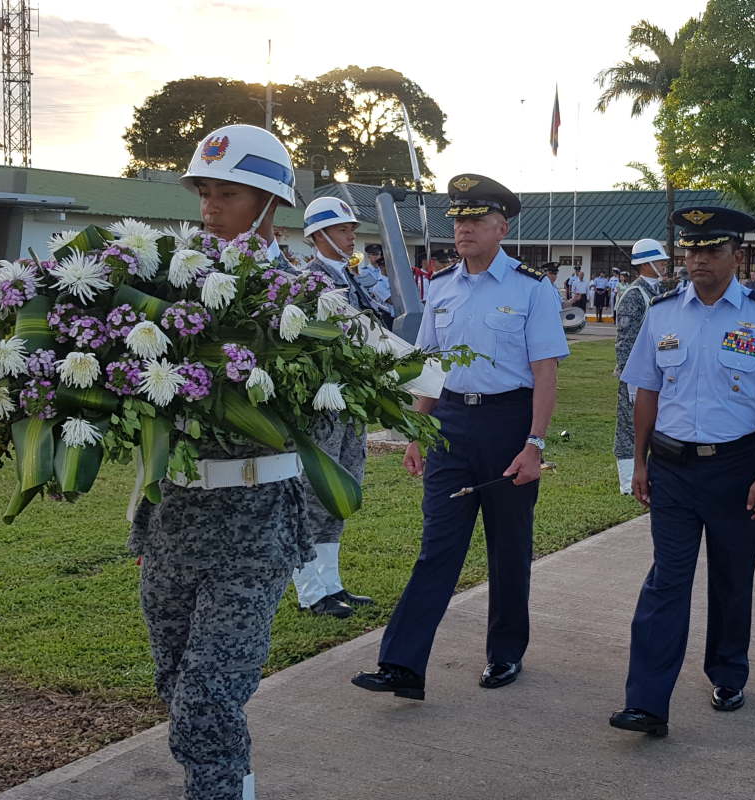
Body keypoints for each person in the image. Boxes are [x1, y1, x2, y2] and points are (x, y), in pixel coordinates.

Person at [131, 125, 315, 800]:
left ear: (270, 204)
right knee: (175, 681)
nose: (209, 205)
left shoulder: (307, 297)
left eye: (227, 193)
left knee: (209, 691)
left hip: (255, 521)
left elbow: (328, 412)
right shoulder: (165, 281)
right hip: (175, 514)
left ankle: (218, 791)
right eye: (203, 191)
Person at [352, 174, 567, 700]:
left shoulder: (531, 289)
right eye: (459, 220)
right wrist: (417, 433)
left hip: (507, 425)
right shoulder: (442, 288)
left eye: (475, 220)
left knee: (508, 549)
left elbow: (545, 373)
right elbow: (432, 367)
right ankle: (402, 665)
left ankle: (505, 653)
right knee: (437, 548)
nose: (464, 229)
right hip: (449, 427)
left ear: (502, 227)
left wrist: (534, 444)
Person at [609, 205, 755, 738]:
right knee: (667, 582)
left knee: (730, 579)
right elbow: (645, 391)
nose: (698, 259)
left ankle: (727, 674)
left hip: (735, 470)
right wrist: (640, 461)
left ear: (736, 257)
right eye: (691, 249)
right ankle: (646, 701)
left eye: (711, 250)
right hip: (673, 470)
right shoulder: (661, 313)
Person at [290, 197, 377, 619]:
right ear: (318, 236)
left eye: (351, 230)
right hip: (322, 404)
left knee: (341, 492)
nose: (351, 236)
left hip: (351, 401)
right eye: (343, 230)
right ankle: (310, 590)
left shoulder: (350, 277)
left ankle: (331, 583)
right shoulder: (307, 281)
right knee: (314, 494)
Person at [613, 239, 669, 494]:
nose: (664, 265)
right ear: (646, 264)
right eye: (659, 261)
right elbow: (624, 340)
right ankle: (627, 482)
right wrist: (629, 376)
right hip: (635, 373)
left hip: (658, 370)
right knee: (628, 426)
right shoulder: (635, 295)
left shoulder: (656, 292)